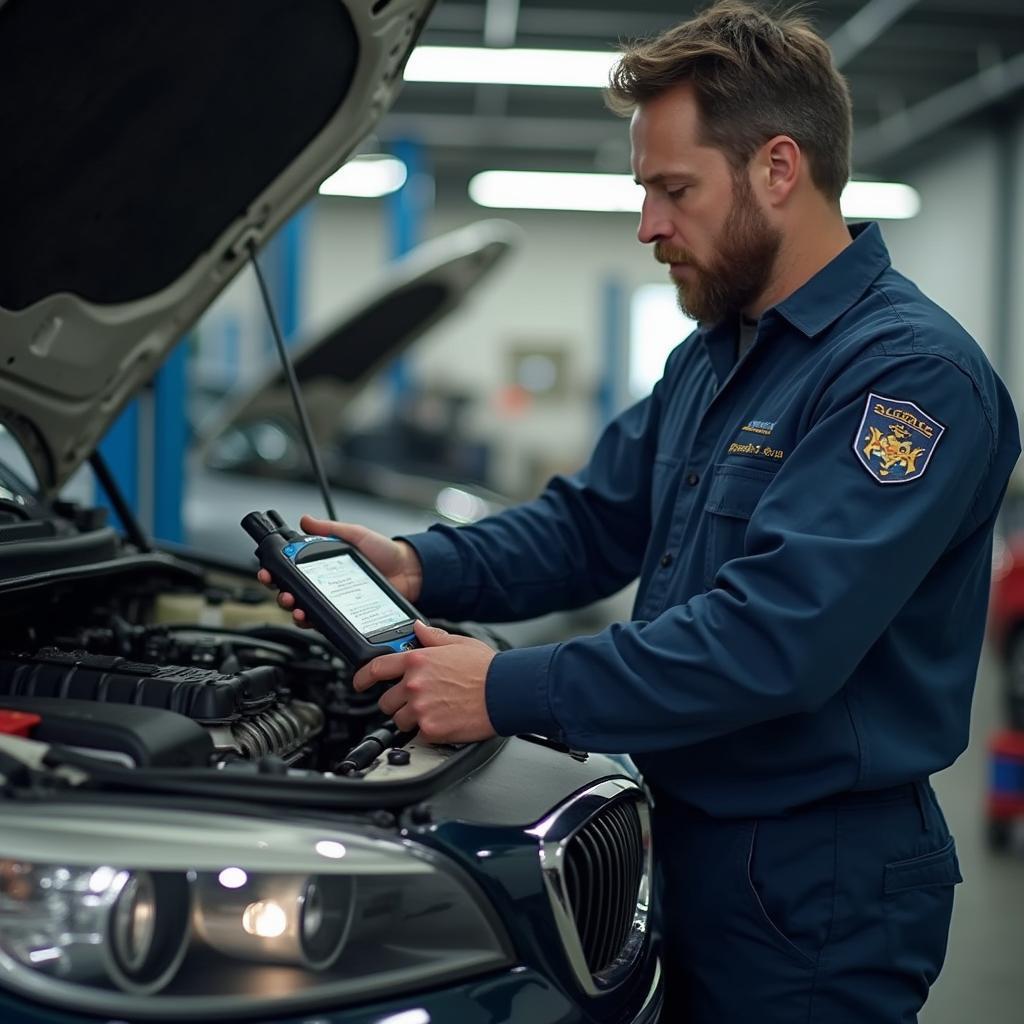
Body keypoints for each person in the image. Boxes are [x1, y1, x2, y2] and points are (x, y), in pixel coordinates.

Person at [260, 2, 1020, 1020]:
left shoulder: (905, 377)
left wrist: (503, 686)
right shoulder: (714, 359)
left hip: (815, 878)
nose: (648, 224)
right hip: (683, 831)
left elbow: (773, 638)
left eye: (673, 189)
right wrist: (416, 563)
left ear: (778, 169)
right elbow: (588, 524)